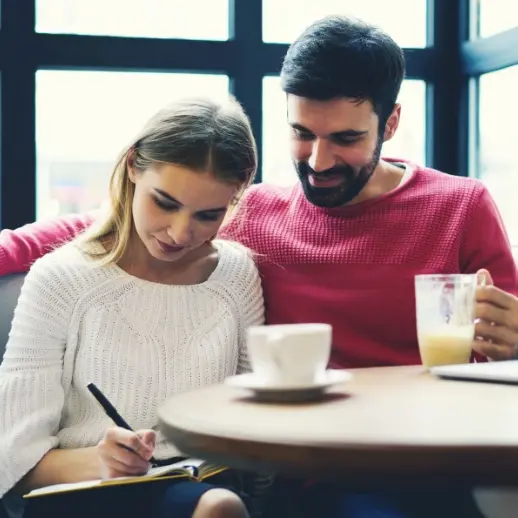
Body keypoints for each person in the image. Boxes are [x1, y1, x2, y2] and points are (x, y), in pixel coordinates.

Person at [0, 14, 517, 518]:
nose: (318, 161)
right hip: (308, 474)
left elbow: (506, 355)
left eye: (345, 138)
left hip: (425, 463)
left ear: (391, 123)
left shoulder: (461, 208)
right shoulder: (253, 213)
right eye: (302, 132)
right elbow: (118, 224)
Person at [0, 96, 266, 518]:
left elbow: (252, 418)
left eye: (209, 215)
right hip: (82, 492)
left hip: (203, 487)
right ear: (132, 166)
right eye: (165, 202)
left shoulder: (236, 275)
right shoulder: (61, 279)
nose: (181, 233)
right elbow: (12, 460)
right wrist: (100, 461)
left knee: (220, 503)